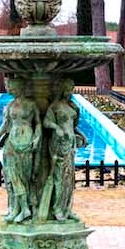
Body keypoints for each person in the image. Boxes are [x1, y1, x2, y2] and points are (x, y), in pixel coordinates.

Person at [38, 79, 87, 222]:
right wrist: (56, 127)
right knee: (59, 177)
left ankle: (67, 208)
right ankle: (57, 209)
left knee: (68, 178)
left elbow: (72, 126)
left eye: (71, 88)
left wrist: (82, 136)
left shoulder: (72, 106)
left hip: (70, 143)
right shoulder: (55, 106)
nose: (70, 91)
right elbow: (46, 122)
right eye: (68, 88)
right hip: (58, 143)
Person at [0, 79, 42, 222]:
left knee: (24, 176)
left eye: (11, 87)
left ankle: (24, 208)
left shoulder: (31, 104)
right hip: (12, 141)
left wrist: (37, 138)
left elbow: (38, 123)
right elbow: (6, 123)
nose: (9, 89)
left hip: (26, 140)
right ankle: (18, 208)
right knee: (11, 175)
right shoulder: (10, 105)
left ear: (19, 88)